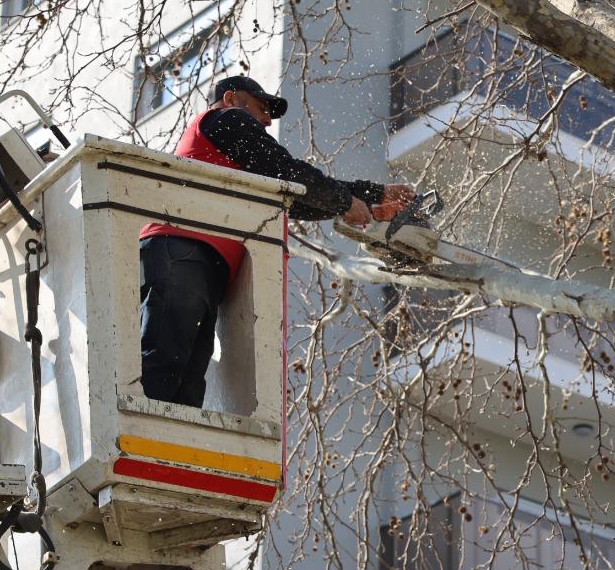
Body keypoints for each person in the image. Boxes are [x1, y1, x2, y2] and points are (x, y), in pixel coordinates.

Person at [140, 75, 415, 407]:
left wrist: (370, 197)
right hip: (182, 251)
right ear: (231, 99)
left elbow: (291, 198)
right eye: (260, 107)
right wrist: (346, 202)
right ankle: (139, 443)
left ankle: (161, 453)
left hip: (197, 260)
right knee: (165, 362)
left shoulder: (234, 158)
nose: (267, 120)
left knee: (186, 381)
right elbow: (286, 171)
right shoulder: (226, 120)